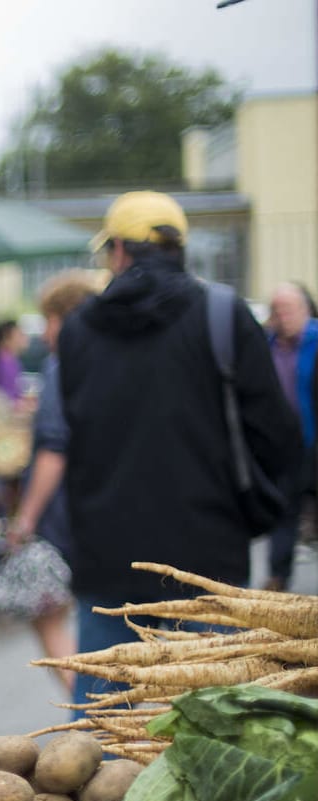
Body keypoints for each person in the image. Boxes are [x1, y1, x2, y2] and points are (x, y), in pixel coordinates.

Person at [59, 192, 301, 705]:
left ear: (119, 250)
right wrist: (256, 510)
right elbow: (278, 433)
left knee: (99, 735)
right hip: (207, 553)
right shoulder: (222, 313)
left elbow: (72, 436)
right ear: (179, 249)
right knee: (211, 728)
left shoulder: (78, 329)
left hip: (107, 555)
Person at [5, 269, 104, 693]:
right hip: (96, 508)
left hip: (59, 517)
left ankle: (92, 711)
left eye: (48, 320)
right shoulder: (106, 363)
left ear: (65, 318)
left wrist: (25, 518)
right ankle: (100, 711)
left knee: (48, 616)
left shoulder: (61, 366)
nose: (44, 332)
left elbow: (52, 448)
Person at [264, 281, 318, 590]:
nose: (283, 316)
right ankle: (277, 577)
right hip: (283, 446)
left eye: (289, 309)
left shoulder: (315, 340)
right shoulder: (266, 344)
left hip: (314, 441)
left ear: (304, 309)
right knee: (283, 512)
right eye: (277, 310)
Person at [0, 317, 27, 405]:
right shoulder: (4, 363)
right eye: (19, 334)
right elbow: (7, 398)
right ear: (6, 338)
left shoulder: (8, 360)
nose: (24, 337)